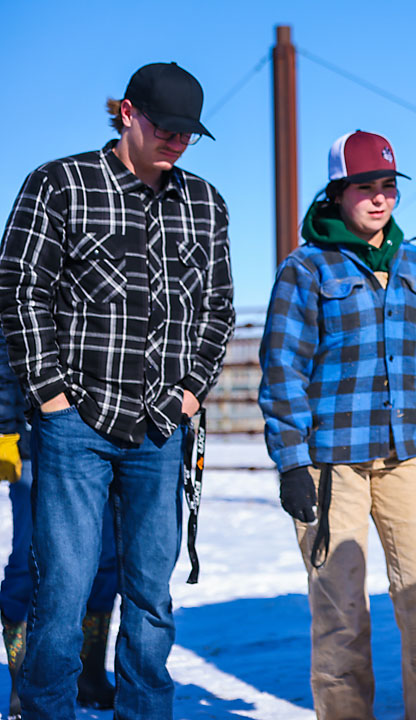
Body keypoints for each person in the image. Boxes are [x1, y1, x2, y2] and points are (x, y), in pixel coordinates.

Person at [0, 62, 234, 719]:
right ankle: (45, 709)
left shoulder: (205, 202)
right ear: (127, 112)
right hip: (74, 424)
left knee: (151, 594)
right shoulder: (59, 184)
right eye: (166, 127)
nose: (177, 142)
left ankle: (145, 712)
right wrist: (50, 397)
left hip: (161, 428)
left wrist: (189, 394)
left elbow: (217, 311)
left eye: (189, 133)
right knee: (65, 588)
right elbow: (20, 289)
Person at [259, 130, 416, 720]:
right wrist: (293, 462)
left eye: (387, 188)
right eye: (365, 188)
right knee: (341, 615)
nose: (379, 200)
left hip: (411, 459)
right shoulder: (305, 270)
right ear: (337, 193)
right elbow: (282, 370)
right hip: (332, 467)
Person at [0, 337, 121, 718]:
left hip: (100, 436)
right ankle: (25, 678)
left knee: (105, 558)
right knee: (30, 558)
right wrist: (5, 430)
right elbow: (7, 355)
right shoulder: (24, 278)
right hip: (32, 436)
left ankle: (88, 674)